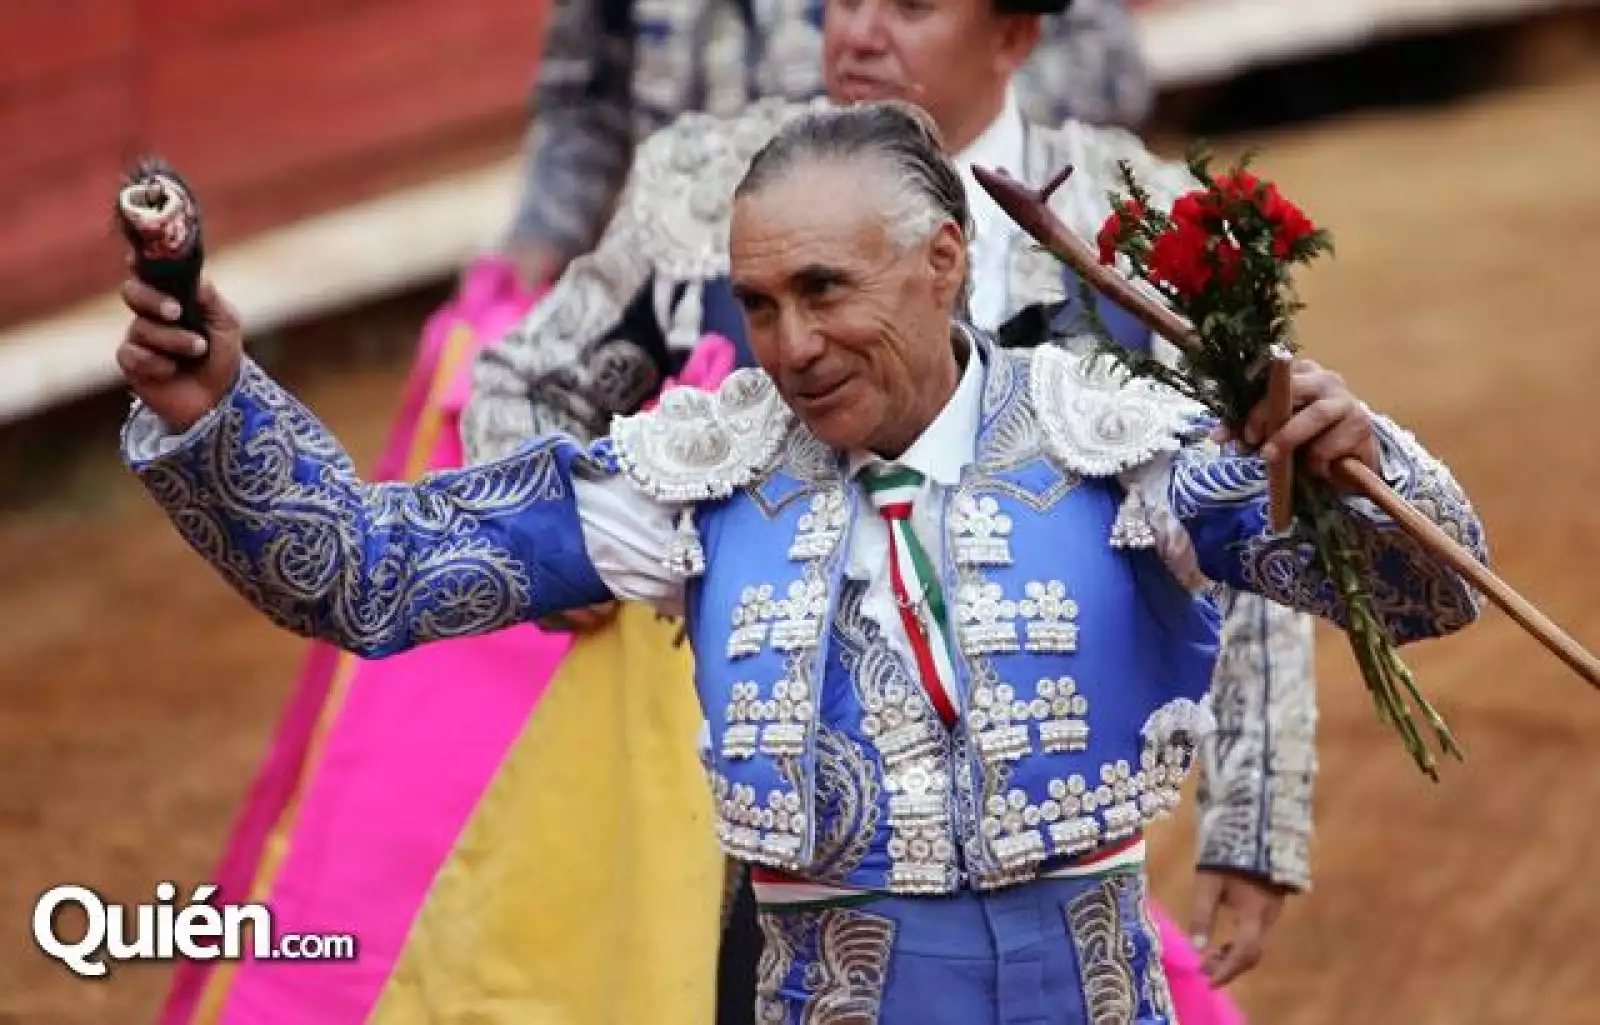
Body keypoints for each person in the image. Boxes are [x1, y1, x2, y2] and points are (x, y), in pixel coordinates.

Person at [114, 100, 1487, 1023]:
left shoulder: (1112, 440)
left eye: (826, 290)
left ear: (944, 261)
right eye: (760, 302)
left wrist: (1356, 466)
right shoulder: (696, 472)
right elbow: (371, 570)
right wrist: (216, 416)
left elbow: (1427, 591)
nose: (788, 345)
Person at [466, 0, 1314, 1002]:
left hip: (1061, 835)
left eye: (908, 5)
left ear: (1014, 35)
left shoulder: (1137, 225)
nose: (856, 33)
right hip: (785, 829)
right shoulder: (713, 198)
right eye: (837, 1)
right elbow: (523, 382)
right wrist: (583, 555)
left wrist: (1252, 818)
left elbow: (1252, 517)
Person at [504, 0, 1156, 290]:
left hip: (958, 221)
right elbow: (583, 103)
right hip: (698, 251)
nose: (863, 30)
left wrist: (926, 149)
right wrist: (539, 240)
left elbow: (1105, 61)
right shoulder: (682, 197)